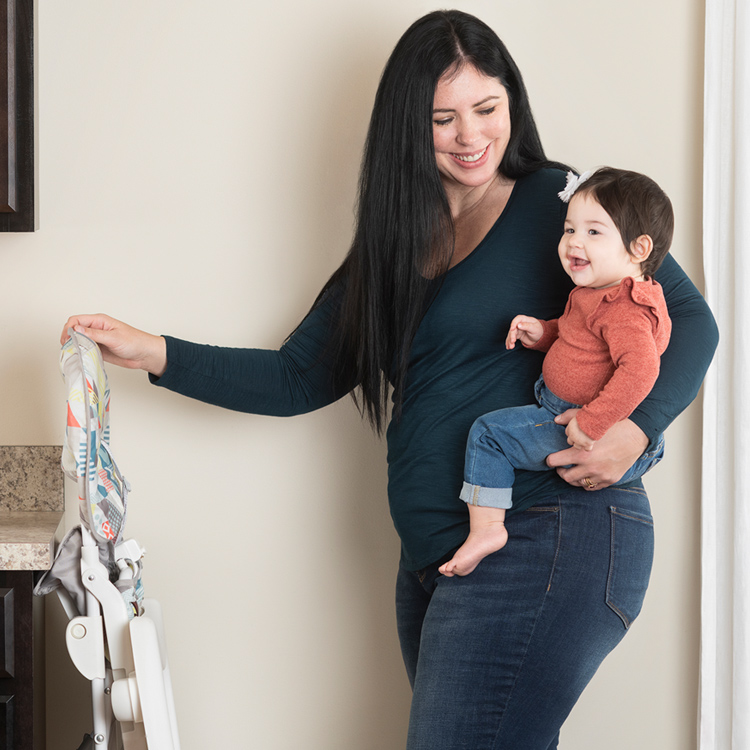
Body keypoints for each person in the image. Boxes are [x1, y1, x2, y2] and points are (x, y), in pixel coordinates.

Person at [62, 10, 718, 749]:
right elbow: (297, 376)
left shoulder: (563, 205)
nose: (470, 136)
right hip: (437, 563)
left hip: (548, 533)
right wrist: (152, 351)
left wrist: (633, 430)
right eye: (443, 118)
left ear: (514, 104)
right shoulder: (392, 243)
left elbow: (688, 323)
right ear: (407, 124)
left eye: (487, 109)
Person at [439, 167, 674, 578]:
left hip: (573, 422)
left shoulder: (625, 309)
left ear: (639, 248)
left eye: (593, 232)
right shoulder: (595, 291)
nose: (573, 242)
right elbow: (579, 342)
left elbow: (641, 369)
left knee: (489, 435)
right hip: (568, 411)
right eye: (569, 230)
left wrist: (591, 423)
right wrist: (543, 333)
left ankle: (488, 528)